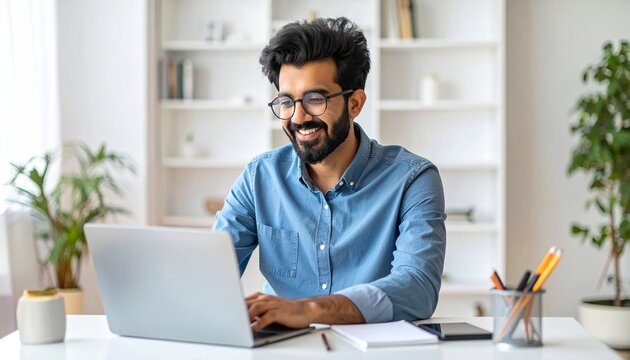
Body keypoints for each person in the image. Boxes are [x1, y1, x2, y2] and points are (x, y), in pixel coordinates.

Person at [213, 17, 446, 331]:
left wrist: (308, 310)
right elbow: (209, 274)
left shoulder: (413, 179)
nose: (298, 117)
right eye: (286, 101)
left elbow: (417, 288)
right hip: (282, 349)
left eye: (315, 99)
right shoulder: (259, 177)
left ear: (355, 103)